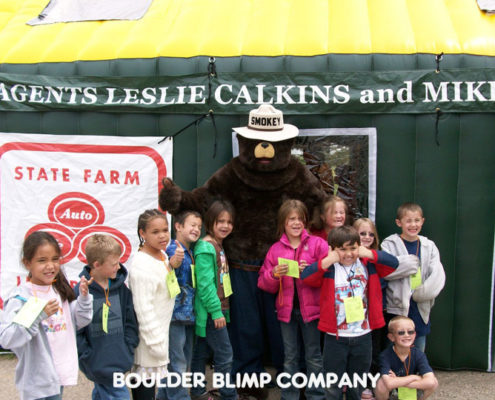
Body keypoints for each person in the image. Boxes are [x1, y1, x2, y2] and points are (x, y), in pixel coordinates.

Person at [301, 226, 399, 400]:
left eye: (353, 248)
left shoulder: (367, 265)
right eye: (342, 249)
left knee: (357, 383)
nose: (348, 254)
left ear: (359, 247)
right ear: (333, 249)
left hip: (363, 335)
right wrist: (328, 259)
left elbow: (393, 263)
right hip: (335, 337)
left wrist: (367, 253)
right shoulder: (330, 268)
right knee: (333, 385)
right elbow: (307, 277)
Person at [0, 231, 93, 400]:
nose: (50, 266)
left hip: (58, 375)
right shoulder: (22, 297)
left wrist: (84, 299)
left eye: (55, 259)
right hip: (36, 381)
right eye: (42, 260)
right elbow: (7, 338)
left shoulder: (60, 291)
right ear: (27, 263)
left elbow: (79, 322)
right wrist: (38, 314)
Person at [258, 199, 328, 400]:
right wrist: (274, 274)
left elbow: (329, 275)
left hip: (312, 311)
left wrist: (312, 270)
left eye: (300, 219)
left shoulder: (317, 244)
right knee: (290, 356)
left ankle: (316, 395)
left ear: (306, 221)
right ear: (283, 223)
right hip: (286, 312)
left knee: (314, 356)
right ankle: (289, 395)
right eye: (291, 219)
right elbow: (263, 283)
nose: (296, 223)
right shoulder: (276, 249)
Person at [75, 234, 139, 400]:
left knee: (102, 393)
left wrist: (128, 345)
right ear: (96, 264)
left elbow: (130, 321)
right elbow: (76, 330)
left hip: (119, 358)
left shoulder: (121, 290)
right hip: (97, 363)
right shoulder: (81, 293)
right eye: (114, 264)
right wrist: (87, 356)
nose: (118, 267)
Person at [381, 203, 446, 352]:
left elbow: (437, 275)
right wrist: (411, 263)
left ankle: (415, 372)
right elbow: (387, 271)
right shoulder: (389, 244)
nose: (413, 225)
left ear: (422, 221)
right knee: (393, 347)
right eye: (408, 221)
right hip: (396, 307)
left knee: (418, 347)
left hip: (420, 306)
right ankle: (393, 375)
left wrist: (421, 294)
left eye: (417, 220)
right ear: (399, 223)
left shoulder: (429, 246)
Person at [190, 200, 237, 400]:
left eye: (229, 222)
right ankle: (228, 395)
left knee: (200, 352)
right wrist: (216, 311)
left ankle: (198, 391)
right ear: (211, 222)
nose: (225, 226)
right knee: (225, 355)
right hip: (210, 312)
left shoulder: (218, 246)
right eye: (220, 221)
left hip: (215, 310)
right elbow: (205, 285)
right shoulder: (206, 248)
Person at [129, 209, 176, 400]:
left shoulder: (162, 256)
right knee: (144, 392)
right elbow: (143, 309)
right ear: (142, 233)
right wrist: (156, 343)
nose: (163, 235)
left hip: (159, 337)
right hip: (148, 343)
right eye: (155, 232)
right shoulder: (141, 266)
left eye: (165, 230)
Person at [156, 211, 202, 400]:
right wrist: (172, 264)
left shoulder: (189, 251)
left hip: (187, 316)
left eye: (199, 226)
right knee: (178, 362)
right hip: (174, 316)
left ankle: (164, 396)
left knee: (182, 360)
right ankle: (180, 397)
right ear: (178, 226)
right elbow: (163, 280)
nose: (196, 229)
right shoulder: (171, 250)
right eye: (192, 225)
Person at [375, 316, 438, 400]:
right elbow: (389, 384)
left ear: (415, 335)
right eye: (401, 333)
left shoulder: (418, 354)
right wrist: (414, 377)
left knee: (434, 382)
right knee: (381, 384)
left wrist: (397, 380)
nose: (407, 335)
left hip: (410, 388)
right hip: (393, 391)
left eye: (410, 332)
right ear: (391, 337)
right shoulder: (385, 355)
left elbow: (430, 381)